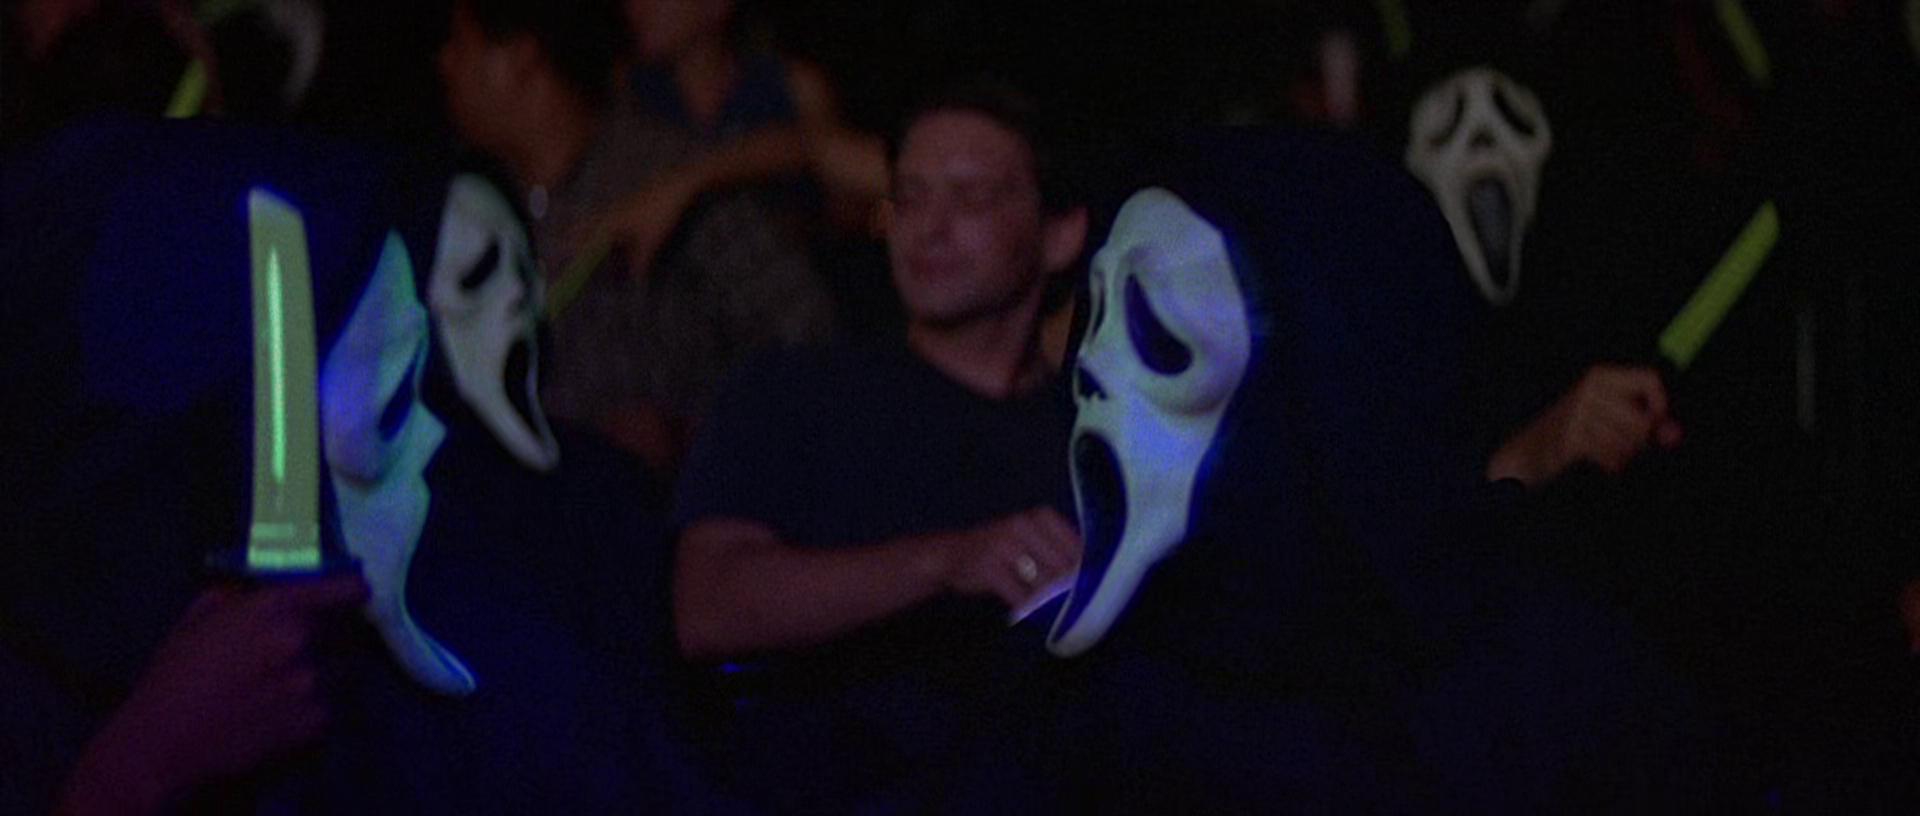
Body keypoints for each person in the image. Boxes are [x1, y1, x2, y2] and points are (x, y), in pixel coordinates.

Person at [669, 80, 1087, 813]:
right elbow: (709, 606)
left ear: (1060, 234)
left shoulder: (1091, 437)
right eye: (910, 198)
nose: (929, 229)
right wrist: (947, 561)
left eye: (971, 198)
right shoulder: (798, 391)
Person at [437, 0, 835, 477]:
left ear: (523, 56)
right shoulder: (468, 209)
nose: (445, 62)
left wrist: (693, 434)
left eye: (462, 44)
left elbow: (806, 339)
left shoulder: (664, 180)